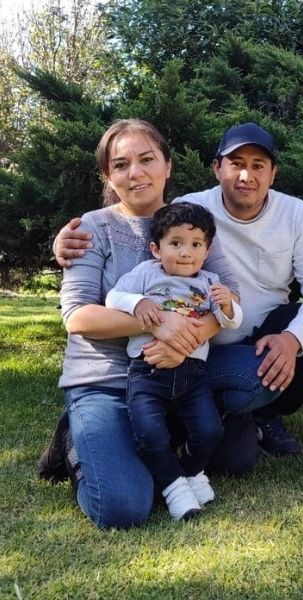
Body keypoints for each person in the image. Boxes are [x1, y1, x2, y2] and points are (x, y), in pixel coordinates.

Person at [51, 121, 303, 460]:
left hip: (251, 332)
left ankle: (264, 415)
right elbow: (142, 228)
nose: (246, 176)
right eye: (236, 163)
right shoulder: (192, 211)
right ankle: (206, 420)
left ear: (273, 173)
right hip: (206, 346)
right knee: (233, 460)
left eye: (258, 166)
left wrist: (292, 338)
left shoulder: (295, 213)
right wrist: (63, 242)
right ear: (217, 168)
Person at [37, 118, 280, 529]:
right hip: (107, 380)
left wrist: (187, 337)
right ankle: (77, 439)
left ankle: (181, 430)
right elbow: (77, 317)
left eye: (147, 159)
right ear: (108, 176)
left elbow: (229, 294)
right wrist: (155, 323)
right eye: (121, 165)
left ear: (167, 165)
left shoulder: (190, 219)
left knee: (261, 376)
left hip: (183, 369)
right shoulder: (92, 228)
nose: (136, 172)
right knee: (125, 507)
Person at [105, 202, 242, 520]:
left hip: (194, 375)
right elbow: (113, 297)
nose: (185, 253)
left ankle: (192, 471)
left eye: (195, 245)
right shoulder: (146, 273)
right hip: (147, 372)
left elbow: (231, 321)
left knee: (210, 431)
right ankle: (174, 487)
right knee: (150, 435)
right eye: (176, 243)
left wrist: (228, 306)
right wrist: (137, 303)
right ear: (156, 249)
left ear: (206, 251)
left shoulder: (210, 282)